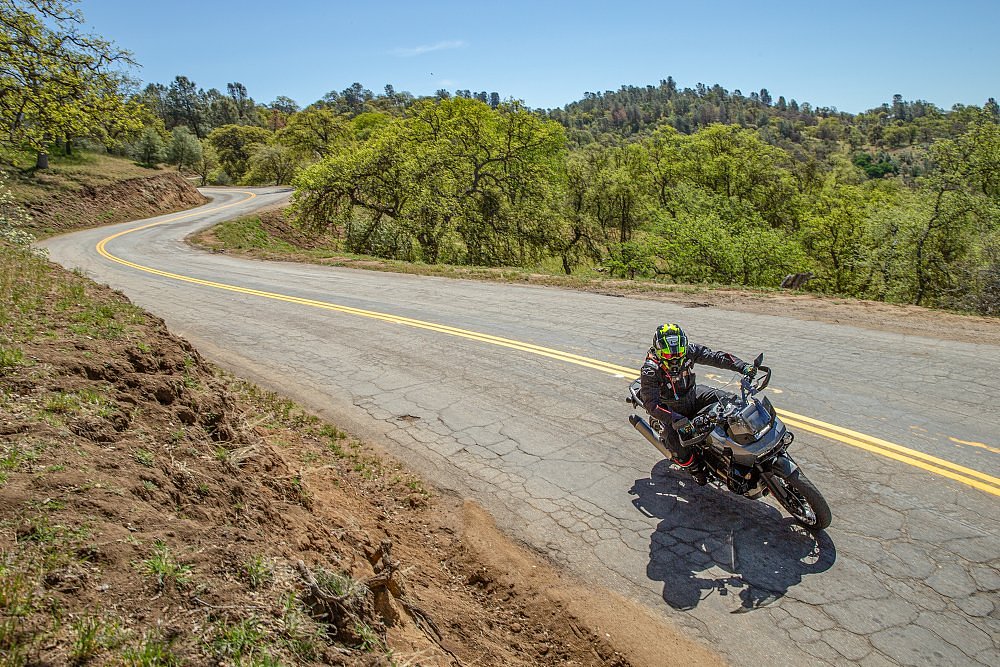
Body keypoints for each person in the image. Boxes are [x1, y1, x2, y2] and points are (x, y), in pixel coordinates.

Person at [639, 323, 756, 484]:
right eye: (668, 354)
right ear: (659, 351)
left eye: (678, 353)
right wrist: (676, 419)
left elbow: (715, 356)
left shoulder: (690, 350)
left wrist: (743, 366)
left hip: (693, 394)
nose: (674, 358)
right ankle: (694, 468)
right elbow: (652, 405)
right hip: (670, 408)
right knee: (678, 447)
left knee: (730, 401)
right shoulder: (650, 370)